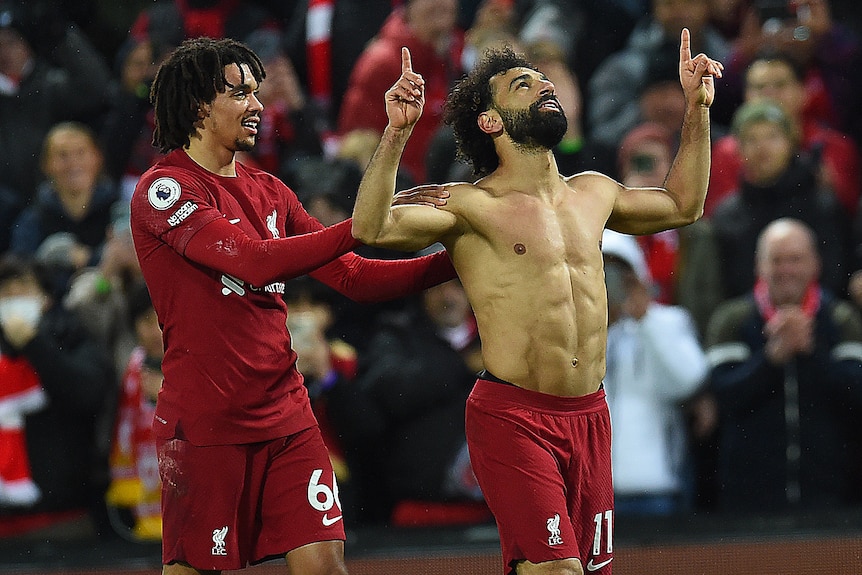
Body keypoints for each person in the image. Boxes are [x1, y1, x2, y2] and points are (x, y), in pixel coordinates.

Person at [351, 29, 721, 574]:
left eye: (545, 80)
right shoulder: (471, 205)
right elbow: (372, 227)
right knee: (557, 570)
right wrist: (397, 132)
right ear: (491, 122)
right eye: (524, 84)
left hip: (591, 416)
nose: (545, 85)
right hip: (514, 417)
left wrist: (697, 110)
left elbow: (683, 205)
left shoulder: (594, 191)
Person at [129, 37, 457, 574]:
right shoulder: (164, 189)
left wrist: (456, 261)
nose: (259, 105)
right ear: (197, 106)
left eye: (258, 92)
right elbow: (255, 262)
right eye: (239, 93)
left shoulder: (271, 191)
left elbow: (353, 278)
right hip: (207, 424)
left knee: (326, 565)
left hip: (288, 416)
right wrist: (362, 226)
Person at [704, 218, 862, 513]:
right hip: (749, 496)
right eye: (776, 260)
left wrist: (811, 353)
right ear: (759, 266)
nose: (786, 269)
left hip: (833, 495)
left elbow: (856, 394)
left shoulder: (843, 319)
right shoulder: (732, 319)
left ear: (815, 264)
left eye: (796, 259)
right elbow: (723, 396)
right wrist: (771, 360)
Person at [0, 255, 116, 539]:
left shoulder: (71, 334)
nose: (14, 299)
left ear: (46, 297)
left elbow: (88, 395)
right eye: (6, 293)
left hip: (64, 519)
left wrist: (34, 343)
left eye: (23, 290)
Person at [601, 229, 707, 517]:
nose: (609, 283)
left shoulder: (668, 322)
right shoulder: (572, 335)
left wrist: (645, 320)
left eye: (617, 272)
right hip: (588, 493)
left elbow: (687, 381)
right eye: (600, 270)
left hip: (654, 487)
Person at [709, 99, 853, 301]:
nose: (762, 147)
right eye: (751, 139)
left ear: (791, 143)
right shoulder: (726, 216)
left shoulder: (824, 207)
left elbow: (837, 278)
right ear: (738, 150)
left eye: (772, 137)